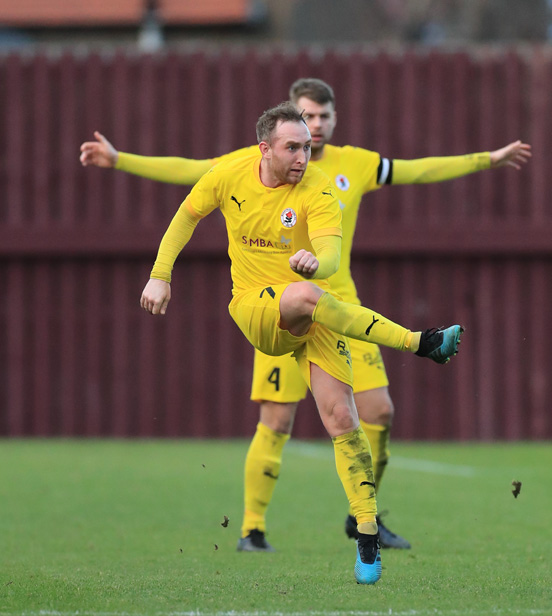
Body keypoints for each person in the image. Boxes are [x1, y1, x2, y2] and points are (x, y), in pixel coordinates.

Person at [80, 78, 531, 552]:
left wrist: (488, 159)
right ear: (279, 132)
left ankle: (364, 518)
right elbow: (190, 175)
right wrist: (121, 160)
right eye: (306, 118)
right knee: (277, 419)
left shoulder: (350, 166)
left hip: (343, 307)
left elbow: (419, 171)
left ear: (334, 120)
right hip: (277, 304)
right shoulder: (245, 167)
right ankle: (252, 527)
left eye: (322, 118)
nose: (314, 128)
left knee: (376, 413)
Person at [141, 101, 464, 584]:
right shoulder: (228, 174)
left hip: (312, 309)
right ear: (264, 148)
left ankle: (368, 536)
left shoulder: (317, 190)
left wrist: (321, 264)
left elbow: (331, 251)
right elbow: (185, 217)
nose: (302, 156)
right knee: (281, 393)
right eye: (292, 147)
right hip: (256, 309)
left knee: (343, 418)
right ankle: (419, 342)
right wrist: (160, 276)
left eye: (308, 148)